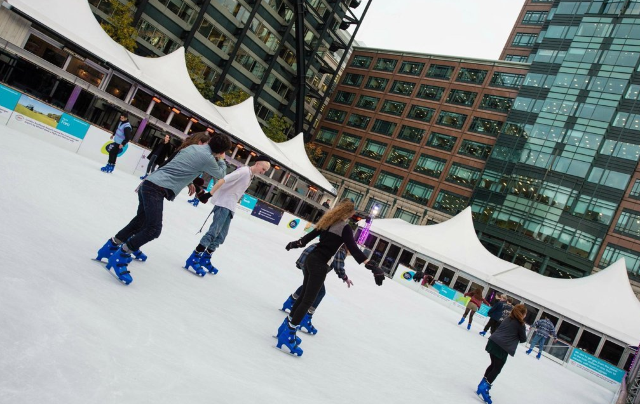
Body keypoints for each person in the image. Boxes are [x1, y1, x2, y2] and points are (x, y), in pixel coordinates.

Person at [95, 131, 231, 285]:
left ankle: (110, 247)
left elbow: (179, 166)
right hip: (156, 189)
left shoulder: (192, 148)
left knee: (139, 222)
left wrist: (191, 181)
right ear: (221, 150)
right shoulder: (208, 158)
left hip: (150, 184)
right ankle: (121, 256)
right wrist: (221, 159)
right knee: (154, 229)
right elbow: (221, 175)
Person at [275, 199, 385, 356]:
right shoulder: (345, 228)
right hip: (320, 265)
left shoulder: (327, 221)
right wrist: (373, 266)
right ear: (349, 213)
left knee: (303, 297)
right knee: (307, 301)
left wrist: (294, 244)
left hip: (311, 260)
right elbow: (353, 249)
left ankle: (285, 328)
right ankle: (289, 334)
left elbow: (307, 238)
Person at [183, 156, 271, 276]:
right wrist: (209, 194)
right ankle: (194, 257)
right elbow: (222, 180)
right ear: (257, 164)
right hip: (223, 204)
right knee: (213, 233)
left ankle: (205, 258)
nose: (264, 172)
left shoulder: (250, 175)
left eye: (266, 171)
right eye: (263, 168)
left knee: (221, 237)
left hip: (230, 206)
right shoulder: (243, 171)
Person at [280, 244, 352, 334]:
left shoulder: (332, 242)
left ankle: (290, 301)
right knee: (320, 291)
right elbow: (338, 266)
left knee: (309, 286)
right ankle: (306, 317)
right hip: (315, 265)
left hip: (306, 260)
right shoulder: (340, 250)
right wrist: (345, 277)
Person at [476, 304, 527, 404]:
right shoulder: (521, 324)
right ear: (523, 314)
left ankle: (481, 385)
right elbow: (523, 339)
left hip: (493, 341)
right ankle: (484, 388)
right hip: (502, 347)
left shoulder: (508, 318)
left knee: (493, 365)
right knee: (497, 369)